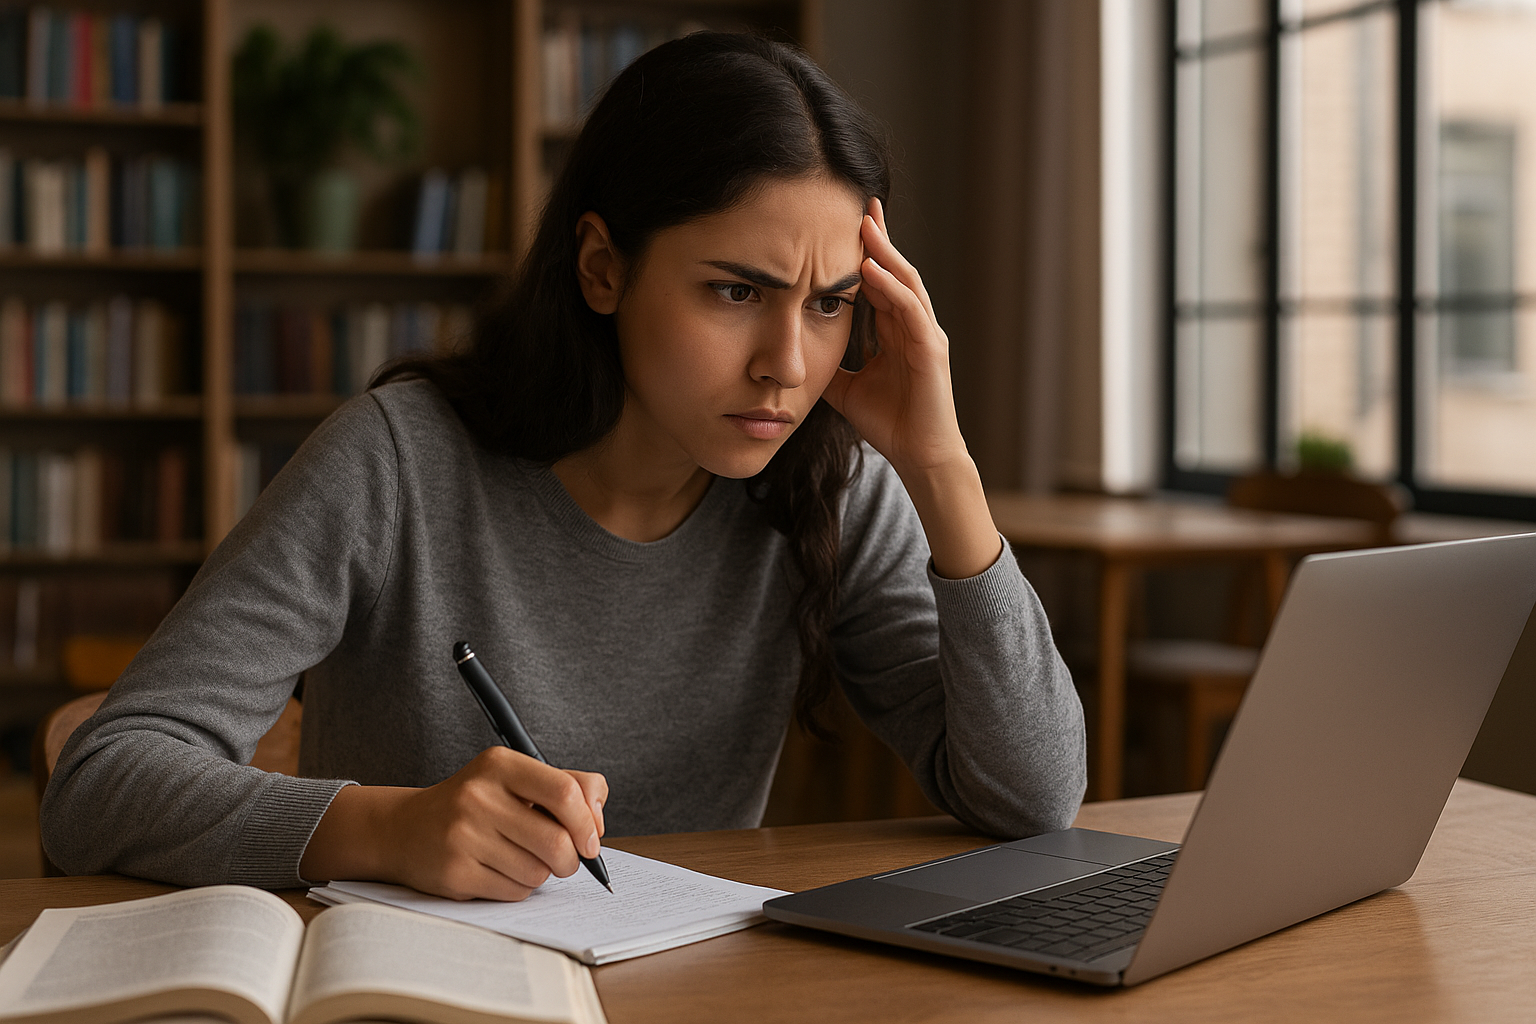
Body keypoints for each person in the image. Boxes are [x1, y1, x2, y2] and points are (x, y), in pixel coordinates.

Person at [41, 32, 1085, 899]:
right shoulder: (398, 460)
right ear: (602, 268)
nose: (788, 365)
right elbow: (99, 780)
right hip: (410, 985)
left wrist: (942, 466)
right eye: (735, 291)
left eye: (829, 304)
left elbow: (1032, 797)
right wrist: (388, 830)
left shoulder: (831, 484)